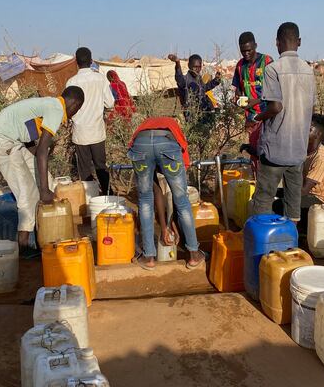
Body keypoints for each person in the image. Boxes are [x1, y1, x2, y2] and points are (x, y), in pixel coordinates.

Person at [0, 86, 85, 248]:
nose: (75, 113)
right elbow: (42, 150)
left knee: (47, 179)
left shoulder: (49, 104)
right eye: (77, 109)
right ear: (75, 104)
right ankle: (24, 244)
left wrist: (44, 181)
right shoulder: (57, 109)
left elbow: (30, 136)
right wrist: (44, 190)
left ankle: (44, 231)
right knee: (27, 193)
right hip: (1, 141)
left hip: (13, 141)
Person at [250, 22, 316, 222]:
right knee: (292, 205)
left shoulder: (273, 69)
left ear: (277, 43)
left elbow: (275, 107)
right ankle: (291, 247)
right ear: (299, 42)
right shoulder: (308, 70)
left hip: (275, 151)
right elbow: (311, 109)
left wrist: (257, 117)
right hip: (297, 151)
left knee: (263, 200)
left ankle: (263, 248)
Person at [127, 116, 204, 270]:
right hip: (166, 144)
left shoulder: (145, 126)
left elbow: (155, 191)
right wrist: (166, 226)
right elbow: (176, 192)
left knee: (145, 200)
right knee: (182, 200)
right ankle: (194, 255)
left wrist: (169, 224)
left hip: (140, 145)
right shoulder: (175, 130)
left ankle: (148, 257)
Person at [273, 114, 324, 233]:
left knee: (280, 204)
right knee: (274, 194)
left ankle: (299, 231)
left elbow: (304, 190)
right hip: (310, 194)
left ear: (318, 134)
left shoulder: (321, 157)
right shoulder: (305, 151)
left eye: (308, 129)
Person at [66, 47, 115, 194]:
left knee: (84, 169)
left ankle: (90, 198)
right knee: (101, 166)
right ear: (91, 60)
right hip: (97, 131)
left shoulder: (71, 81)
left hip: (80, 132)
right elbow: (110, 103)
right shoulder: (100, 78)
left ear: (76, 61)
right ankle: (108, 195)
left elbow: (67, 108)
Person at [232, 31, 274, 128]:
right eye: (243, 51)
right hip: (250, 118)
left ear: (255, 46)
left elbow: (275, 90)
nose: (246, 53)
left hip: (268, 114)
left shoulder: (267, 61)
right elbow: (238, 88)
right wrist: (237, 99)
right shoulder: (240, 65)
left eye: (249, 50)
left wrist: (257, 101)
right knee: (253, 142)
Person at [168, 53, 221, 122]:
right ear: (189, 66)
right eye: (195, 67)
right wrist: (178, 63)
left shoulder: (198, 79)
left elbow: (204, 88)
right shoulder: (186, 80)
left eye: (199, 67)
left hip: (204, 113)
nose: (197, 69)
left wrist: (215, 81)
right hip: (193, 116)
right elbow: (179, 77)